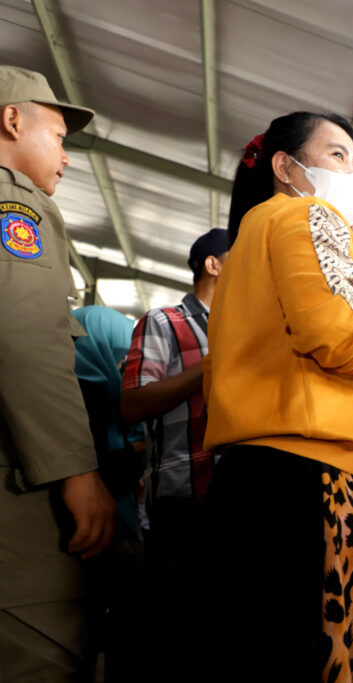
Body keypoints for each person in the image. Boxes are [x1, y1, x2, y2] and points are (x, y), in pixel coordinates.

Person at [202, 111, 353, 682]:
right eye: (337, 155)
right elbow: (334, 325)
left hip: (260, 476)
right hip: (316, 482)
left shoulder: (253, 234)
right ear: (286, 166)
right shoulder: (306, 213)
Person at [0, 65, 116, 682]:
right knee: (39, 652)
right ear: (11, 119)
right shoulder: (14, 201)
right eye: (60, 137)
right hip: (14, 482)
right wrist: (76, 469)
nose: (66, 159)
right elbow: (25, 335)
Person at [119, 227, 227, 679]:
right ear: (213, 264)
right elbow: (132, 404)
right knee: (176, 630)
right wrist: (206, 370)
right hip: (182, 498)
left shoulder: (247, 327)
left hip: (234, 496)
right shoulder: (164, 321)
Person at [71, 305, 146, 683]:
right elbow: (106, 465)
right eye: (122, 358)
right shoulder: (92, 407)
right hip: (102, 534)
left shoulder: (60, 394)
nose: (126, 369)